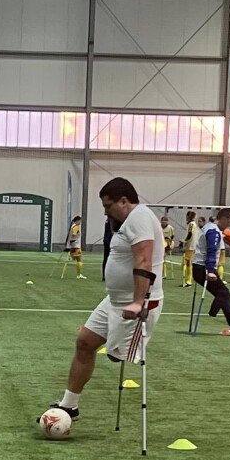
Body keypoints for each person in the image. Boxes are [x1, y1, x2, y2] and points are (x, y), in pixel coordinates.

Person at [41, 177, 164, 420]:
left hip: (137, 303)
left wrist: (138, 302)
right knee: (85, 342)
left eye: (108, 206)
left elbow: (144, 260)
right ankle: (69, 405)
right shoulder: (126, 221)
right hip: (114, 300)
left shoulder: (139, 217)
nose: (106, 212)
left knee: (115, 355)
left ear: (124, 201)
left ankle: (120, 346)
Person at [192, 208, 230, 334]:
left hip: (199, 267)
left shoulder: (209, 227)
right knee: (223, 292)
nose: (229, 225)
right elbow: (211, 250)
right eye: (229, 221)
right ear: (223, 218)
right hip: (203, 268)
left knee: (222, 293)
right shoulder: (213, 231)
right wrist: (210, 270)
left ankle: (223, 317)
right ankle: (228, 320)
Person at [180, 211, 198, 287]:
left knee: (188, 261)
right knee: (188, 261)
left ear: (188, 216)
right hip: (192, 245)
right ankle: (190, 279)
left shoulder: (191, 224)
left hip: (191, 246)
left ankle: (189, 281)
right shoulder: (192, 224)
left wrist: (184, 241)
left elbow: (190, 234)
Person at [102, 217, 113, 281]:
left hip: (107, 241)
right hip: (109, 241)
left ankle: (104, 275)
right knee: (109, 259)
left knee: (105, 258)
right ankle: (107, 275)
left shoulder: (108, 219)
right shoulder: (111, 220)